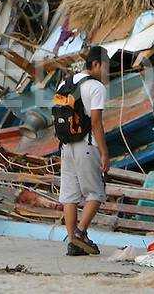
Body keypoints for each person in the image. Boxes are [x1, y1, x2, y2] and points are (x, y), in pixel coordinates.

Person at [58, 46, 111, 256]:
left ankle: (73, 243)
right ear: (96, 64)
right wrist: (105, 152)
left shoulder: (66, 82)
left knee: (69, 196)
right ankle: (80, 233)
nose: (107, 72)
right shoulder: (96, 87)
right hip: (86, 145)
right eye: (106, 66)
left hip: (66, 145)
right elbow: (96, 122)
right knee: (96, 192)